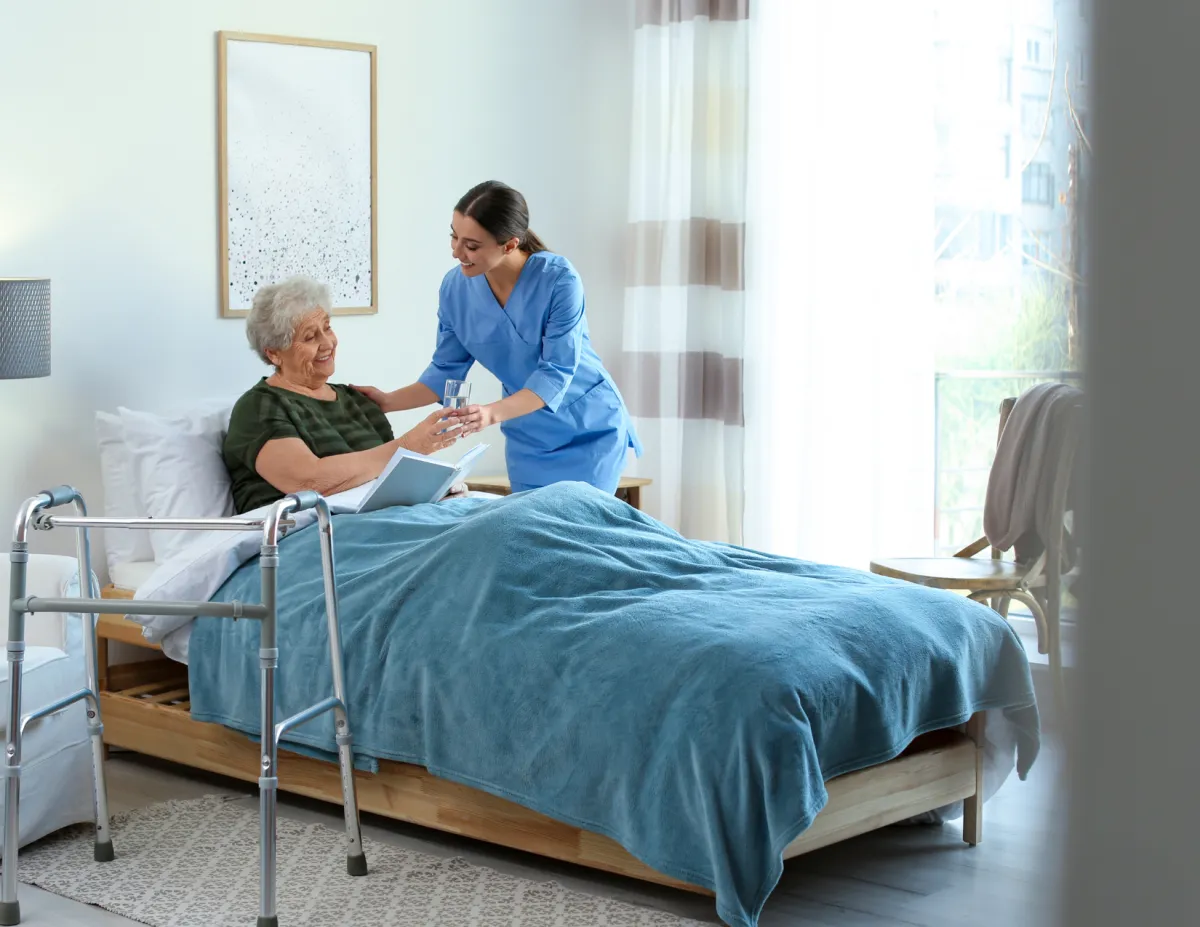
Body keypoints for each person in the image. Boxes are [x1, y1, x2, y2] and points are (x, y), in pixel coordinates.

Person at [354, 181, 642, 494]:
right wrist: (387, 401)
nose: (456, 252)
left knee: (580, 532)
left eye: (471, 245)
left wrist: (489, 413)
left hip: (590, 430)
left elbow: (555, 374)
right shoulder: (455, 290)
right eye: (454, 236)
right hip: (528, 436)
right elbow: (444, 372)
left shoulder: (559, 279)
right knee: (530, 535)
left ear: (509, 244)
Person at [223, 276, 463, 513]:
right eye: (309, 337)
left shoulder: (357, 401)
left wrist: (434, 488)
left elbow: (388, 481)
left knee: (491, 516)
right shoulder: (259, 407)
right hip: (309, 535)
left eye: (327, 327)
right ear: (274, 354)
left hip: (380, 523)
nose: (327, 342)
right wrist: (409, 446)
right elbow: (308, 482)